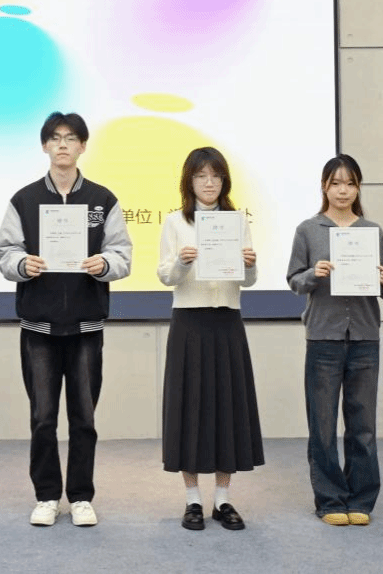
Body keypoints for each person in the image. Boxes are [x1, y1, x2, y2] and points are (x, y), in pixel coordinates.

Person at [0, 112, 131, 528]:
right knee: (43, 418)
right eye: (55, 138)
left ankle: (82, 496)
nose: (63, 145)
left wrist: (104, 264)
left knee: (84, 418)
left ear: (83, 146)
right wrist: (23, 265)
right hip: (39, 327)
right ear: (44, 146)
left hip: (86, 326)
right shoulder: (25, 199)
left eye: (71, 138)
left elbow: (122, 255)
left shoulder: (103, 200)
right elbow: (5, 252)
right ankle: (47, 496)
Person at [286, 155, 383, 527]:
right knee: (322, 425)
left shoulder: (372, 231)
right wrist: (313, 274)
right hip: (324, 337)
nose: (343, 190)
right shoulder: (308, 230)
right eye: (335, 183)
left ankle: (361, 499)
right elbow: (294, 281)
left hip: (365, 337)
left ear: (358, 188)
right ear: (324, 186)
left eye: (350, 183)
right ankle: (330, 499)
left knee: (363, 425)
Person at [157, 146, 261, 531]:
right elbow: (165, 276)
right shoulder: (175, 222)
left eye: (216, 176)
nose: (209, 183)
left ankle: (222, 499)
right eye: (201, 176)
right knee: (189, 409)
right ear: (189, 181)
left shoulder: (237, 221)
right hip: (189, 322)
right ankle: (192, 500)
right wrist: (182, 262)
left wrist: (250, 265)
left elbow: (248, 281)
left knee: (227, 409)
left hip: (227, 322)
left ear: (224, 181)